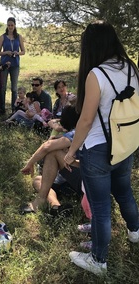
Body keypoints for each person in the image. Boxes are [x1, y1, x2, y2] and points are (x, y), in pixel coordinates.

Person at [64, 20, 139, 276]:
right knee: (124, 191)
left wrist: (71, 151)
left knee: (100, 207)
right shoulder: (130, 67)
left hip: (97, 148)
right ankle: (135, 231)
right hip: (125, 143)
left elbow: (85, 121)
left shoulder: (96, 74)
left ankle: (98, 260)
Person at [20, 105, 81, 214]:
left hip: (82, 180)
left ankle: (40, 200)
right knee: (38, 180)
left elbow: (47, 146)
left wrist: (30, 163)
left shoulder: (77, 132)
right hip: (69, 182)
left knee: (52, 152)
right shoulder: (73, 133)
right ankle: (56, 206)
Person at [0, 17, 25, 113]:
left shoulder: (19, 37)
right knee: (3, 87)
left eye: (12, 25)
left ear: (15, 25)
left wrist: (17, 53)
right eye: (8, 25)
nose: (10, 27)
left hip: (15, 65)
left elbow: (23, 51)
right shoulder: (2, 37)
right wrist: (6, 52)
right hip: (4, 65)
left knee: (14, 88)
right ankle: (2, 109)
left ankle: (14, 108)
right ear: (7, 26)